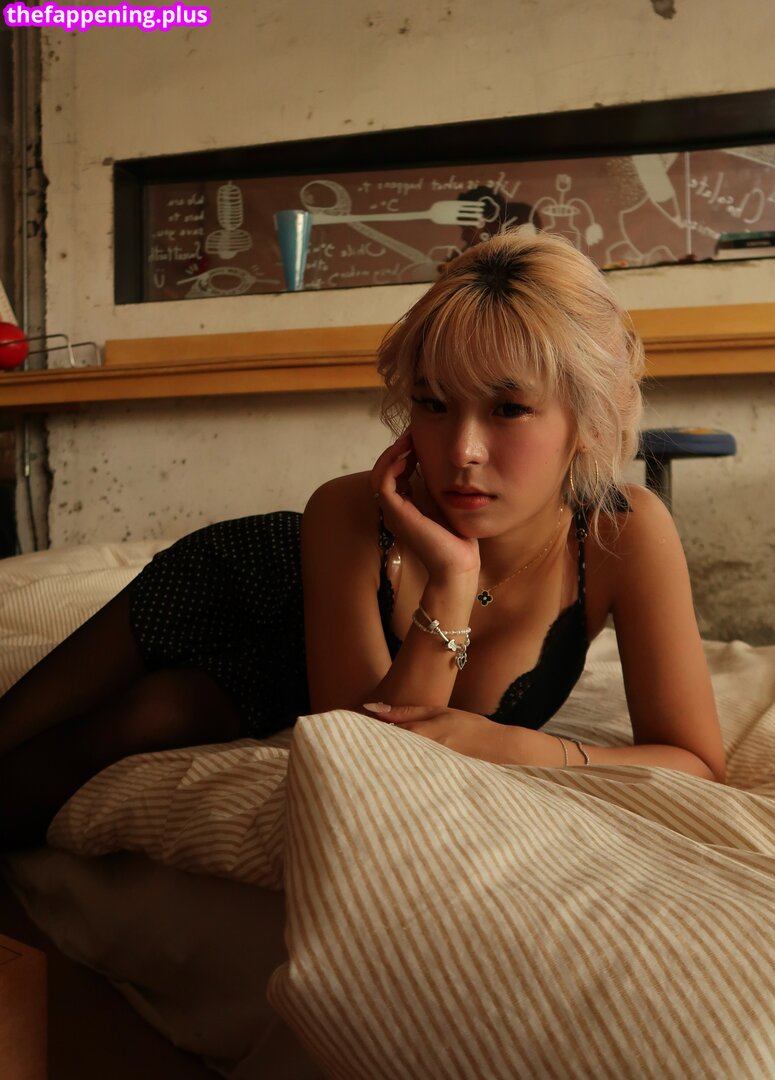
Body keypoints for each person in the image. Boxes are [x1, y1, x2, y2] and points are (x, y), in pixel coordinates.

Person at [0, 229, 725, 850]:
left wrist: (516, 747)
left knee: (154, 716)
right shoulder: (349, 510)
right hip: (248, 583)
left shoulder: (622, 531)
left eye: (508, 409)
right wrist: (450, 581)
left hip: (302, 686)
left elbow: (696, 760)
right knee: (21, 728)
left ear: (588, 419)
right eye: (433, 404)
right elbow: (370, 753)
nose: (463, 450)